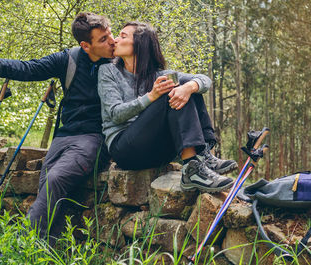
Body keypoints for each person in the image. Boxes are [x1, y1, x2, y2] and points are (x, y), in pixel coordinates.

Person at [0, 13, 114, 244]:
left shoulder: (122, 61)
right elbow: (29, 69)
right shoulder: (69, 59)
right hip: (65, 135)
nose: (112, 41)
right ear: (85, 45)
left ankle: (21, 245)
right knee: (47, 184)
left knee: (56, 178)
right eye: (104, 39)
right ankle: (47, 251)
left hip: (95, 137)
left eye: (111, 34)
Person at [97, 22, 237, 192]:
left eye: (123, 36)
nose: (116, 40)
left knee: (187, 88)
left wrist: (189, 87)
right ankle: (192, 170)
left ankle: (202, 156)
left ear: (140, 44)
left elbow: (204, 80)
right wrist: (151, 96)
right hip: (126, 150)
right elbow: (115, 114)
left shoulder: (158, 75)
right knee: (171, 93)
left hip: (156, 151)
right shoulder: (108, 71)